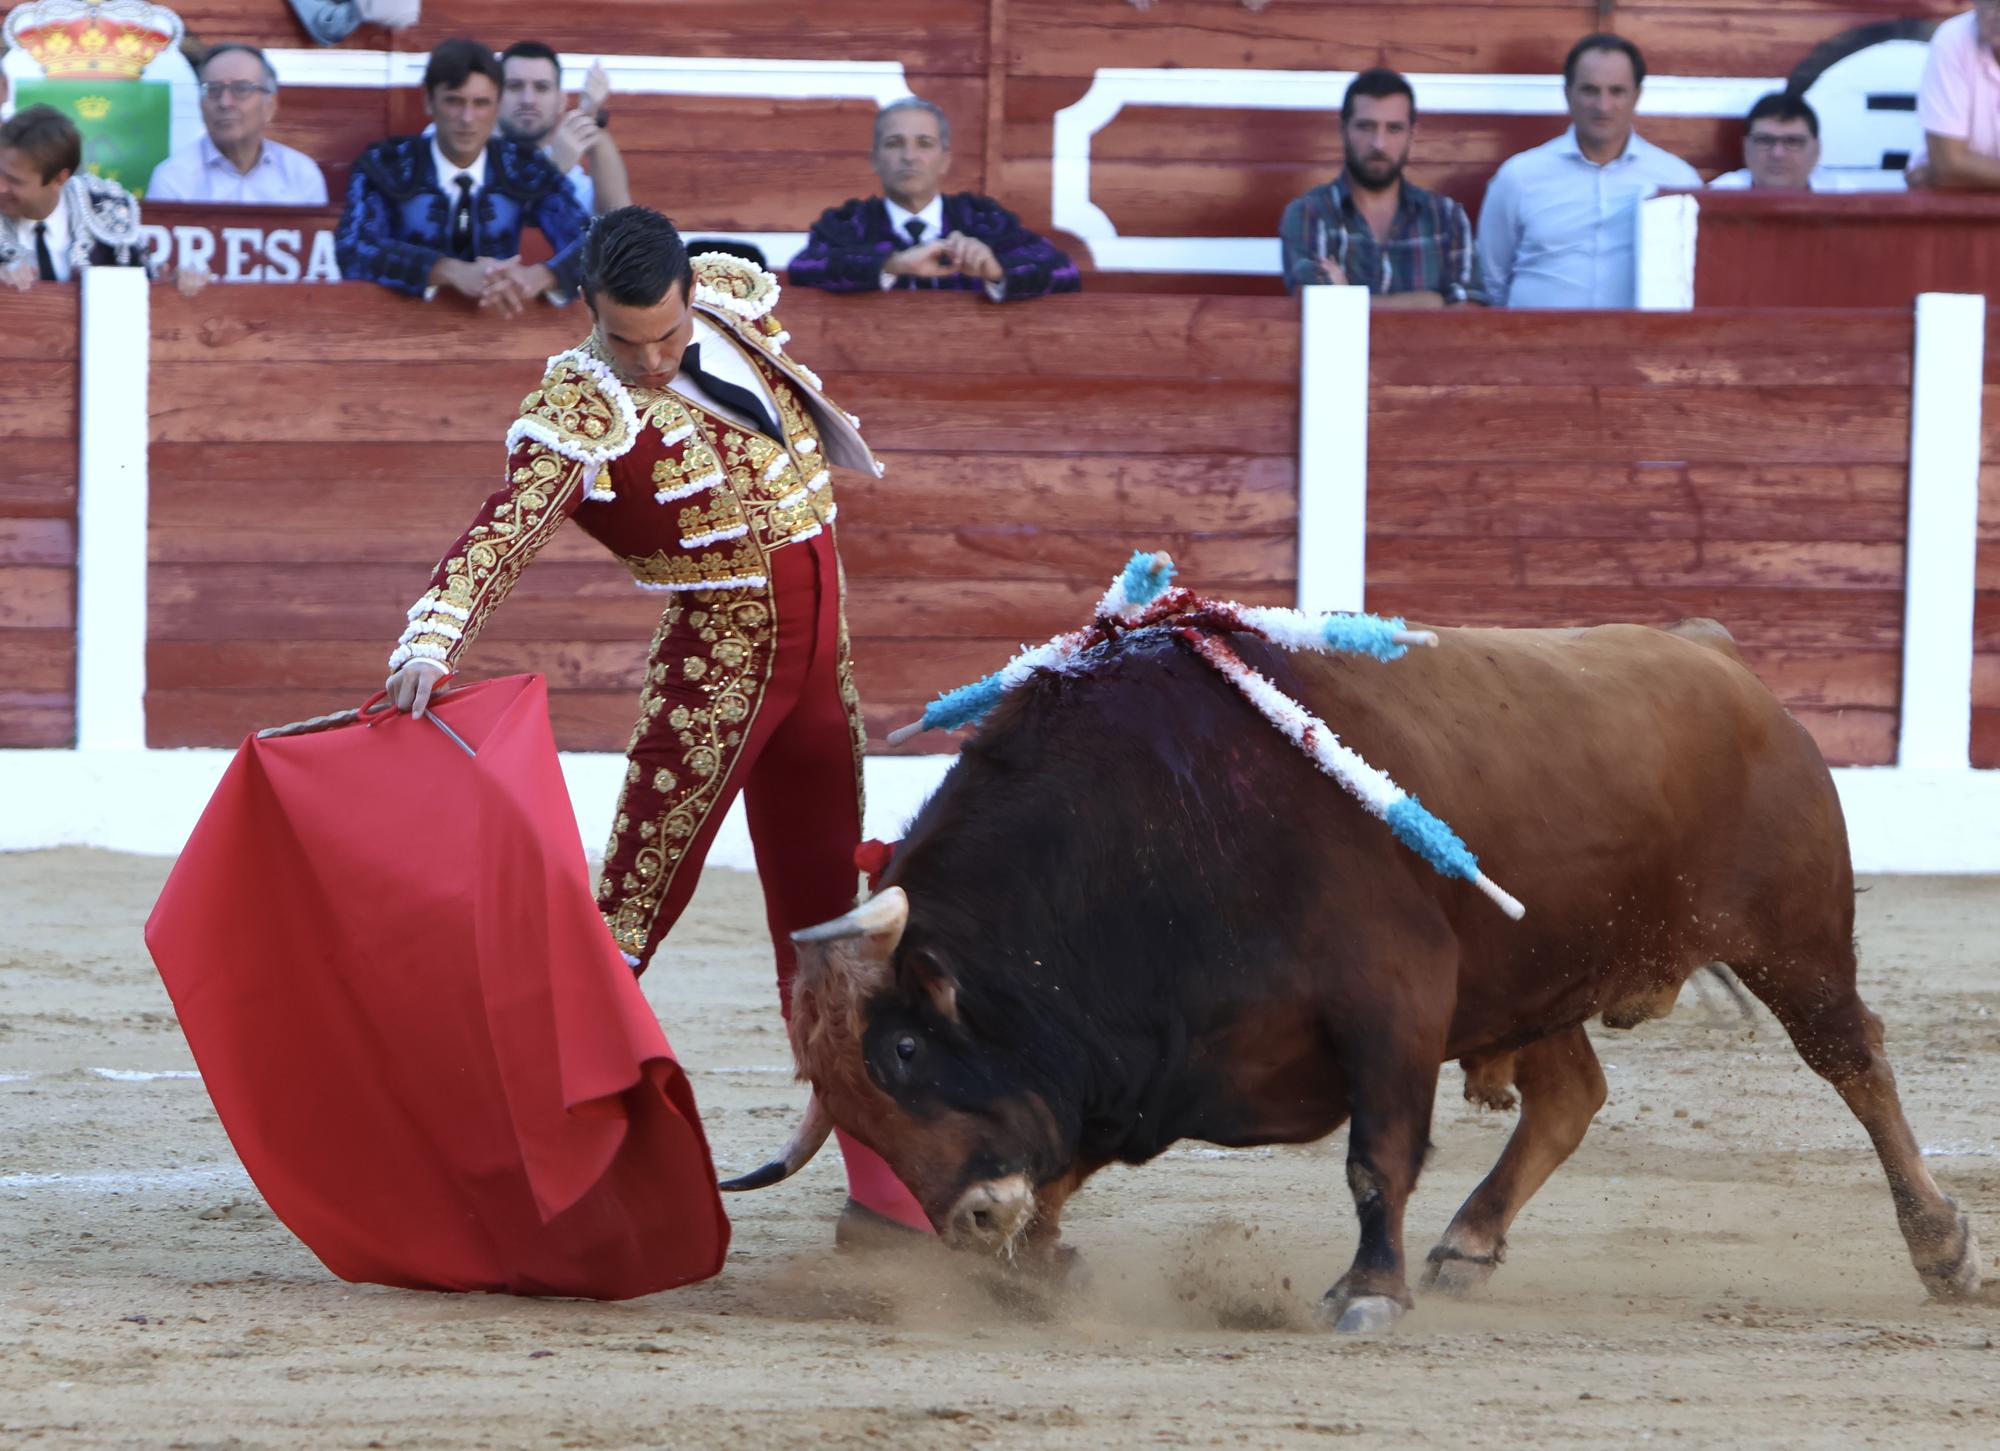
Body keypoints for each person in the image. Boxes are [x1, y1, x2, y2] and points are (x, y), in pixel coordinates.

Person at [379, 206, 931, 1244]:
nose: (647, 359)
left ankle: (885, 1194)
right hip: (715, 680)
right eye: (623, 339)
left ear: (689, 294)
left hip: (820, 676)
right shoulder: (581, 406)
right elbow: (504, 529)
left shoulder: (727, 307)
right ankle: (526, 1170)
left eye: (665, 336)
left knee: (831, 934)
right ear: (587, 309)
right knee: (624, 925)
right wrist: (431, 639)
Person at [334, 38, 591, 315]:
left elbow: (598, 243)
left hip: (500, 328)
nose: (467, 118)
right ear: (429, 102)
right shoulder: (385, 164)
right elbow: (353, 247)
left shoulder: (524, 167)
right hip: (396, 329)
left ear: (497, 106)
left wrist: (540, 276)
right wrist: (447, 270)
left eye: (480, 103)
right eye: (454, 101)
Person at [1478, 34, 1701, 308]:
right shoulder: (1519, 177)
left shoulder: (1678, 180)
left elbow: (1693, 279)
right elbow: (1492, 278)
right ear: (1568, 93)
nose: (1603, 106)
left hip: (1641, 347)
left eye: (1616, 91)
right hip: (1536, 344)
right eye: (1589, 90)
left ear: (1637, 95)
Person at [788, 97, 1079, 301]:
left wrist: (996, 269)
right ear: (875, 160)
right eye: (894, 143)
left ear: (945, 161)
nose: (909, 156)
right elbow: (803, 269)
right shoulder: (849, 223)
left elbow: (1064, 272)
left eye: (924, 144)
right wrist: (894, 264)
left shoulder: (983, 221)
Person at [1276, 67, 1483, 305]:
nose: (1379, 143)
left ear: (1412, 134)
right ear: (1343, 129)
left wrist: (1350, 299)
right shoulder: (1310, 214)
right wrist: (1432, 301)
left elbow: (1470, 311)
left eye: (1394, 128)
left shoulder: (1446, 217)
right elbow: (1320, 308)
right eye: (1366, 127)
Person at [146, 44, 328, 206]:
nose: (225, 103)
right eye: (213, 90)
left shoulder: (301, 174)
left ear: (269, 107)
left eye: (241, 89)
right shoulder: (173, 179)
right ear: (200, 106)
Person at [0, 105, 150, 288]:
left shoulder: (106, 209)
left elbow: (148, 291)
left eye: (15, 181)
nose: (1, 187)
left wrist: (177, 283)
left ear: (59, 179)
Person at [498, 42, 631, 217]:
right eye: (515, 86)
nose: (528, 99)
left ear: (561, 101)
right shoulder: (474, 160)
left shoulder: (569, 170)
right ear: (494, 96)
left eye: (541, 87)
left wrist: (592, 115)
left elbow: (618, 215)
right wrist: (554, 170)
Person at [1906, 2, 2000, 190]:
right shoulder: (1953, 38)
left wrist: (1968, 172)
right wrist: (1950, 169)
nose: (1996, 12)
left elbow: (1950, 170)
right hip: (1954, 208)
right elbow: (1947, 166)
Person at [1707, 94, 1838, 191]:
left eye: (1793, 142)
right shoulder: (1712, 200)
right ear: (1746, 147)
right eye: (1764, 140)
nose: (1777, 154)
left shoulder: (1845, 198)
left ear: (1816, 150)